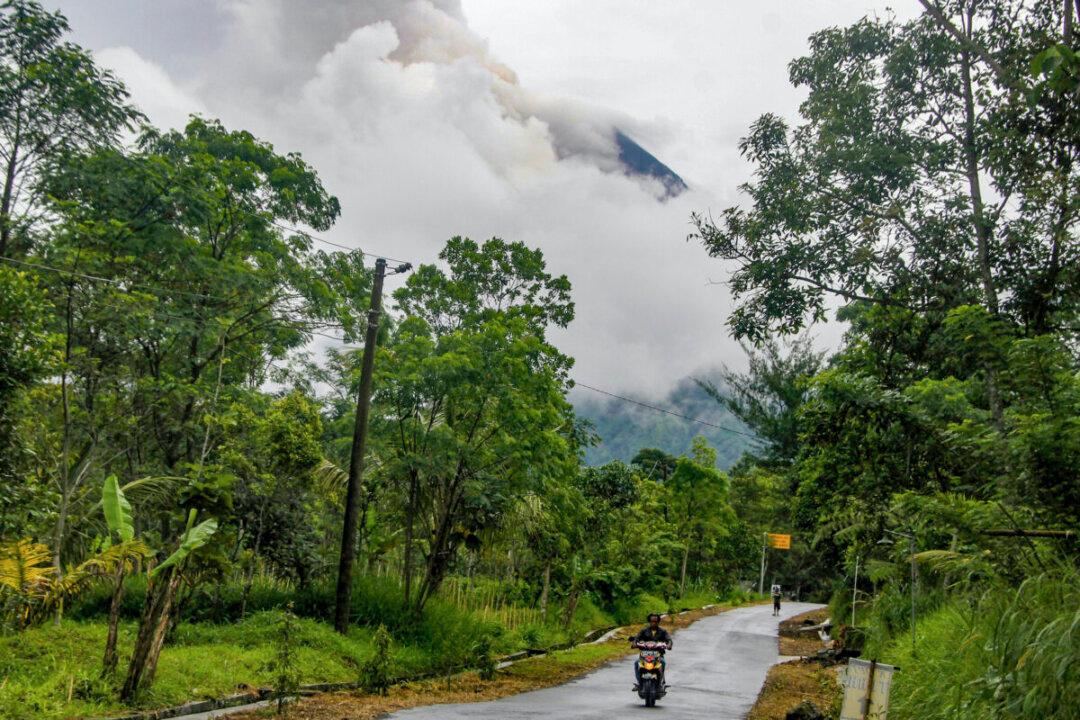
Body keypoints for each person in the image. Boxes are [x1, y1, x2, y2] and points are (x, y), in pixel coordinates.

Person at [631, 612, 672, 689]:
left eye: (655, 622)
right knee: (637, 663)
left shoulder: (663, 632)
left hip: (658, 655)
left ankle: (660, 682)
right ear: (649, 622)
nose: (654, 623)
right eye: (652, 621)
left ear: (658, 622)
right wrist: (634, 643)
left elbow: (669, 640)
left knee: (663, 662)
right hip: (644, 655)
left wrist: (669, 645)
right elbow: (636, 638)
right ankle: (639, 683)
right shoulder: (643, 631)